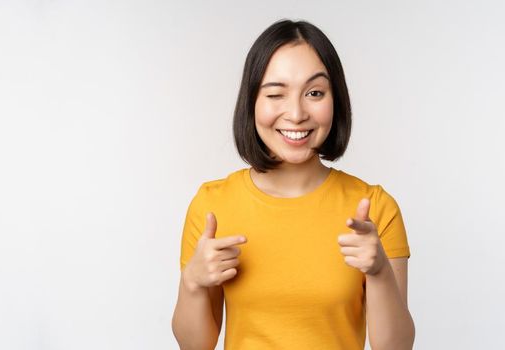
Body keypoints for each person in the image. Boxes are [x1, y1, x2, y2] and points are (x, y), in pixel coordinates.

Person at [171, 19, 415, 350]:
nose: (297, 113)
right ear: (252, 102)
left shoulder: (375, 208)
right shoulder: (213, 205)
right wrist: (193, 282)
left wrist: (380, 271)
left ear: (336, 99)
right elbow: (195, 346)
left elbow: (395, 347)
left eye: (315, 93)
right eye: (276, 94)